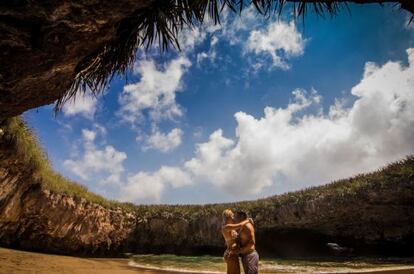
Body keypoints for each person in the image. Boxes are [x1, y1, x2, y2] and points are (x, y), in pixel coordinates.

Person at [223, 210, 259, 274]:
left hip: (235, 254)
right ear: (229, 217)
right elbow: (240, 225)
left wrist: (239, 250)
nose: (234, 218)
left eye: (235, 216)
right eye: (233, 216)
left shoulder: (233, 228)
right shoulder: (227, 226)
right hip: (231, 254)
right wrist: (248, 220)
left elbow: (251, 242)